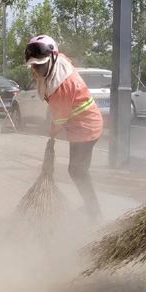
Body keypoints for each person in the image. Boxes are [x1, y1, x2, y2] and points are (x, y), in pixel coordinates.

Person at [24, 35, 104, 224]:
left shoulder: (62, 87)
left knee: (77, 171)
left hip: (86, 128)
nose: (38, 70)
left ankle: (94, 212)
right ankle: (91, 206)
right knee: (78, 170)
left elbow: (59, 119)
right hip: (79, 127)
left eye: (41, 66)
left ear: (52, 58)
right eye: (34, 66)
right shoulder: (59, 62)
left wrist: (51, 136)